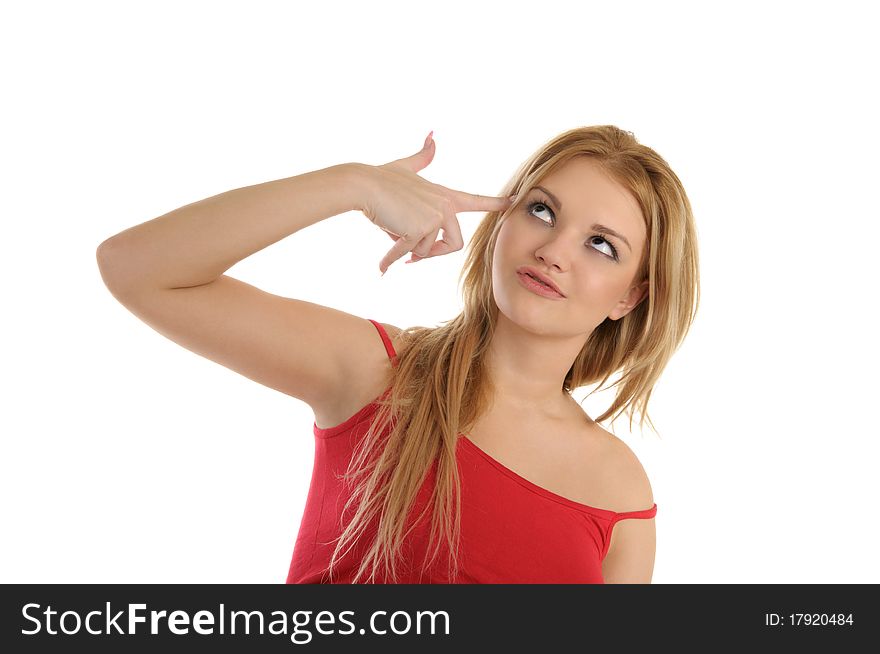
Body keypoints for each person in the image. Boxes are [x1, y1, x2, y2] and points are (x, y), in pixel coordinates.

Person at [96, 126, 700, 584]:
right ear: (503, 221)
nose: (554, 250)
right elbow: (138, 269)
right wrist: (353, 183)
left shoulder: (618, 490)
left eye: (601, 245)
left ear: (630, 297)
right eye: (541, 210)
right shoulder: (377, 372)